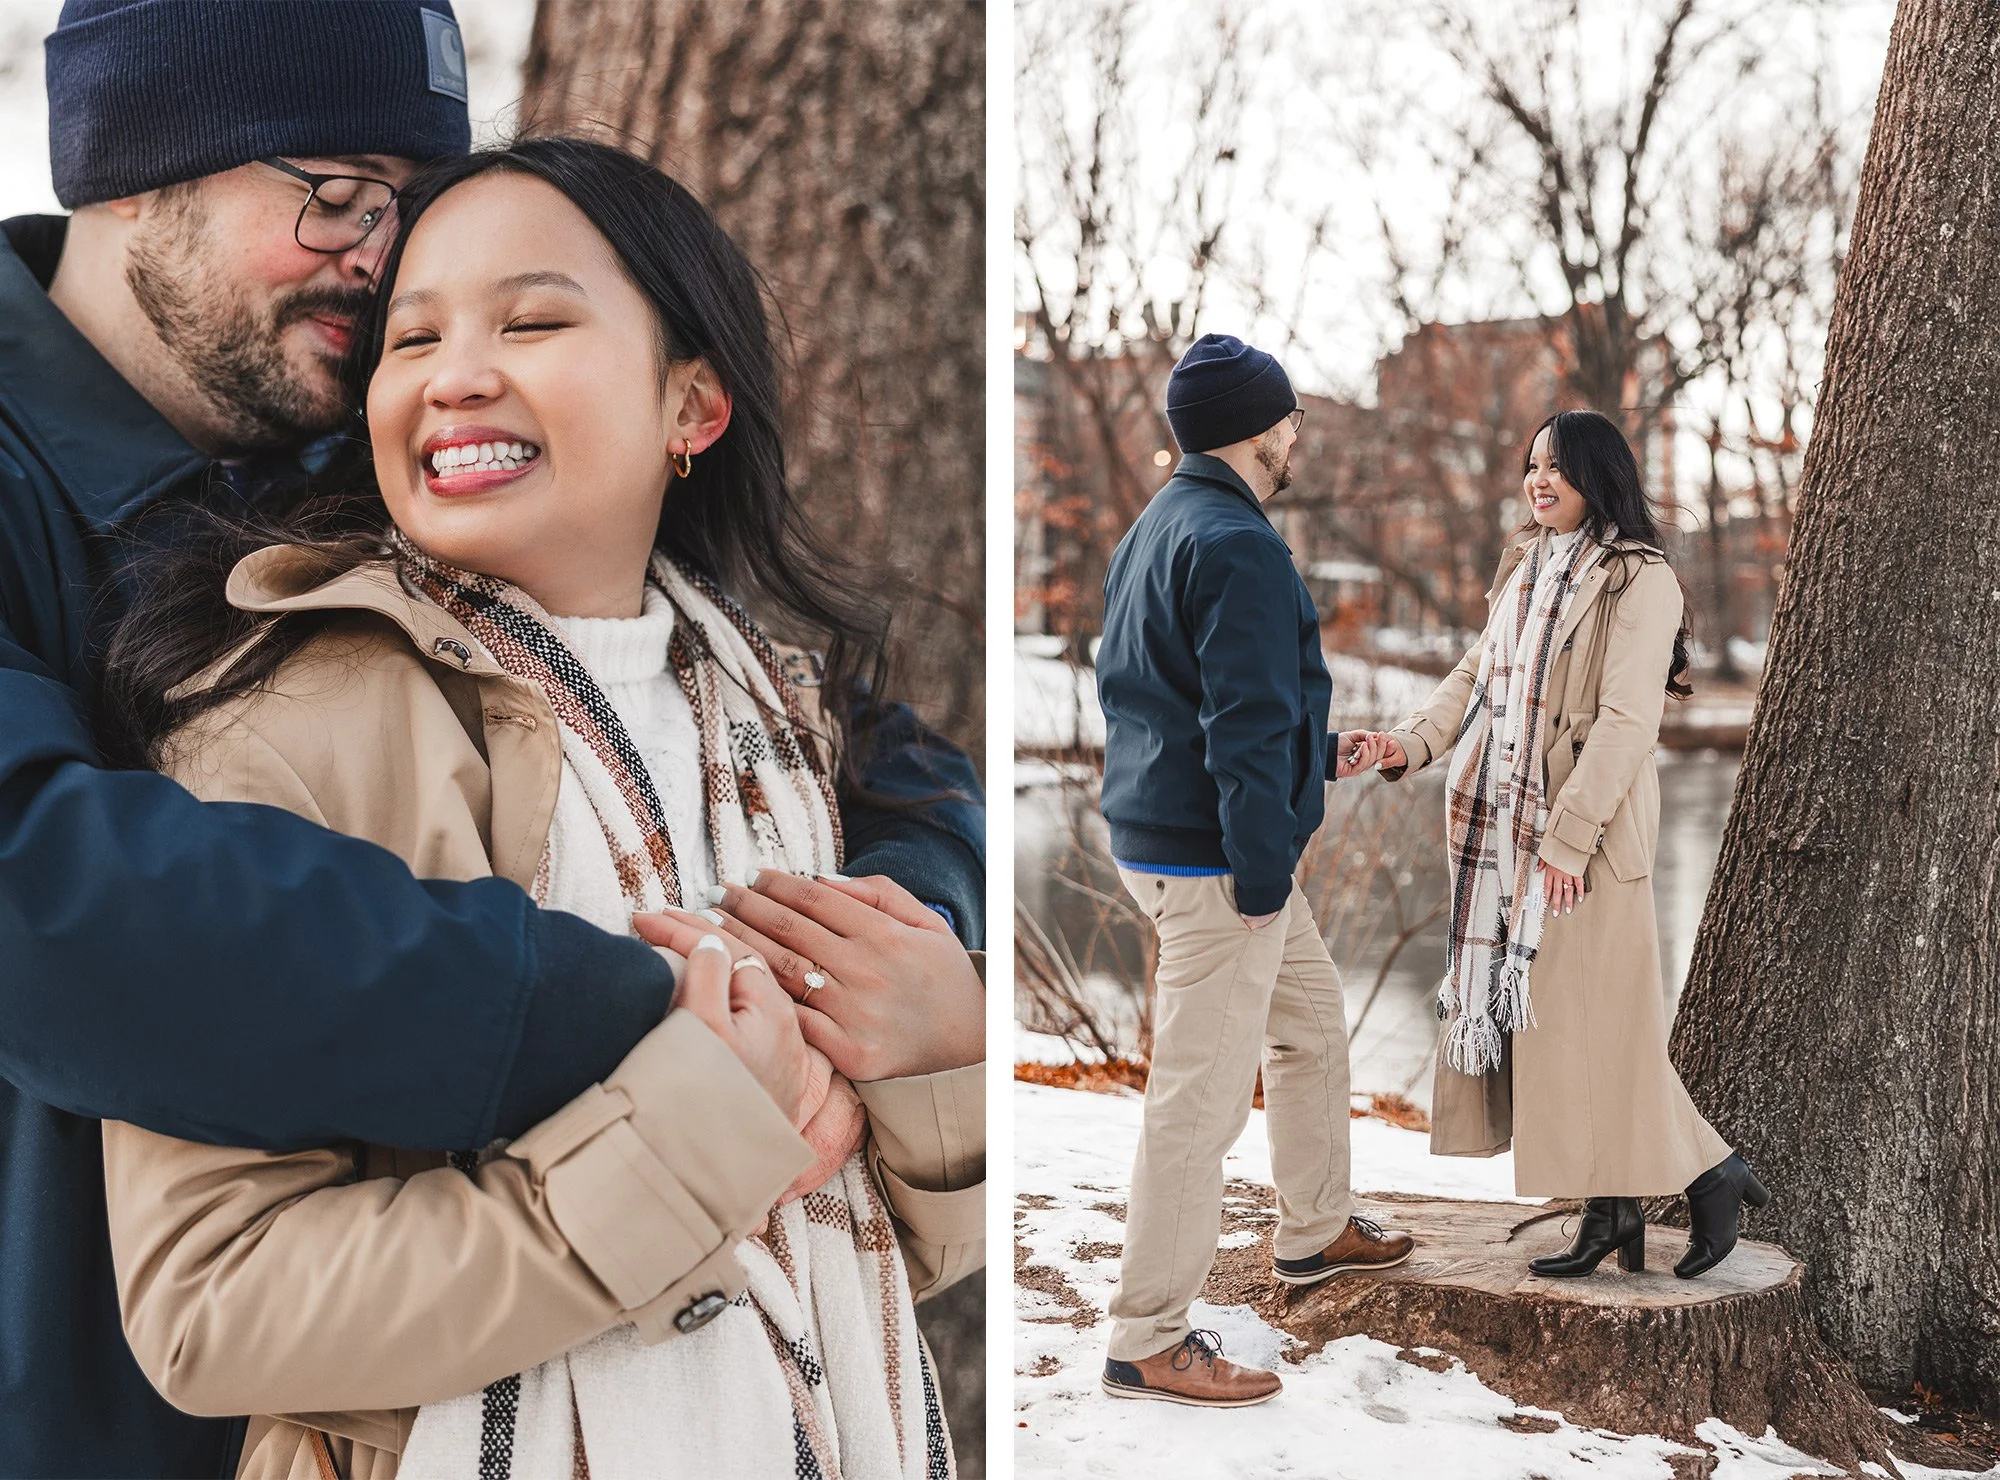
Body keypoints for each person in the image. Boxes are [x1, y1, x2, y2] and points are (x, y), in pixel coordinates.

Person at [0, 4, 981, 1474]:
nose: (380, 250)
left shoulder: (385, 456)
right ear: (135, 165)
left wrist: (889, 972)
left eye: (407, 197)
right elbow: (47, 899)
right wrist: (642, 1003)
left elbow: (861, 758)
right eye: (331, 189)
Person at [1358, 409, 1768, 1279]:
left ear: (1598, 475)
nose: (1538, 481)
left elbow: (1626, 722)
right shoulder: (1526, 566)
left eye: (1557, 467)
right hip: (1513, 829)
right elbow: (1474, 678)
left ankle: (1703, 1176)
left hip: (1587, 836)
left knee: (1598, 1030)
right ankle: (1620, 1205)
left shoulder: (1641, 581)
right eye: (1531, 465)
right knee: (1568, 1032)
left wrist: (1568, 842)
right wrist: (1409, 743)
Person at [1091, 334, 1415, 1409]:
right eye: (1288, 418)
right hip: (1217, 862)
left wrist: (1316, 754)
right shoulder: (1232, 539)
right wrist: (1263, 871)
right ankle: (1145, 1336)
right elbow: (1237, 721)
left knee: (1310, 1020)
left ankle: (1314, 1229)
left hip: (1172, 837)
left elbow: (1175, 695)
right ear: (1257, 425)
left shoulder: (1156, 528)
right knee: (1197, 1103)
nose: (1297, 434)